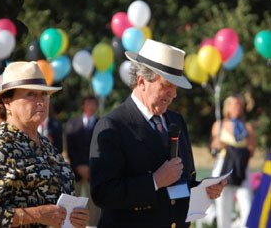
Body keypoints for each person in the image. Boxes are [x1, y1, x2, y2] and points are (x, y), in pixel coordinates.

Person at [89, 39, 227, 227]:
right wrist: (154, 181)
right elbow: (103, 193)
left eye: (175, 87)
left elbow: (180, 182)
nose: (174, 94)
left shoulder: (175, 121)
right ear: (141, 81)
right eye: (167, 85)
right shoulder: (112, 126)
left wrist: (203, 188)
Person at [0, 61, 89, 228]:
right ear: (7, 102)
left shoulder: (45, 144)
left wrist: (76, 217)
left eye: (44, 94)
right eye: (31, 94)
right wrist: (38, 214)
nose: (41, 101)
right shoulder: (0, 146)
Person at [210, 94, 256, 228]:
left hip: (242, 169)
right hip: (223, 168)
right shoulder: (219, 124)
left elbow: (251, 151)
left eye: (240, 105)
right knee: (223, 208)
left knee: (247, 205)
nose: (238, 107)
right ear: (228, 107)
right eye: (235, 104)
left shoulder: (247, 127)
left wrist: (237, 151)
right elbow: (213, 148)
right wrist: (221, 144)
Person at [65, 95, 100, 226]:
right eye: (88, 103)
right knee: (74, 202)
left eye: (93, 104)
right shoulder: (73, 124)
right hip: (76, 170)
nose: (91, 106)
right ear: (82, 106)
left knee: (94, 203)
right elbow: (70, 147)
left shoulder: (101, 123)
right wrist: (78, 166)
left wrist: (91, 167)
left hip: (94, 171)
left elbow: (102, 148)